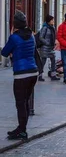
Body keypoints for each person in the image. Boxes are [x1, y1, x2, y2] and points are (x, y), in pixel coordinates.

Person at [1, 12, 38, 140]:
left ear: (14, 25)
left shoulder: (14, 38)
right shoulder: (31, 35)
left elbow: (4, 52)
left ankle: (22, 130)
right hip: (33, 71)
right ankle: (22, 128)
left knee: (20, 102)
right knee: (25, 101)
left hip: (21, 74)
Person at [38, 15, 60, 81]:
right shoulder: (45, 28)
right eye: (52, 20)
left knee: (53, 60)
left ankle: (53, 75)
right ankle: (40, 75)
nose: (53, 21)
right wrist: (47, 43)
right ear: (48, 21)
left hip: (51, 47)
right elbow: (40, 37)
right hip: (44, 47)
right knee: (43, 62)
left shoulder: (52, 27)